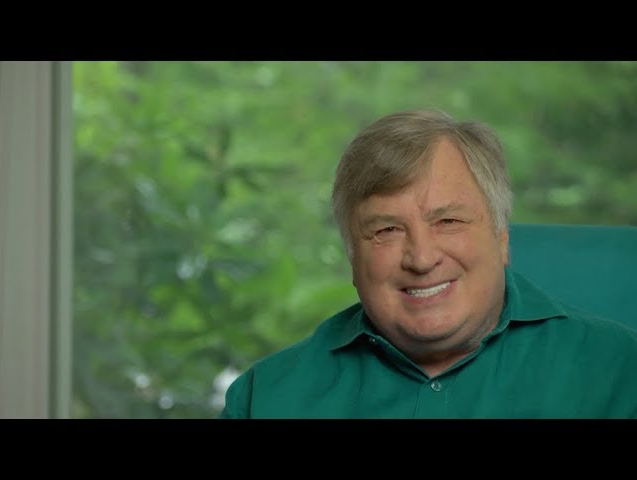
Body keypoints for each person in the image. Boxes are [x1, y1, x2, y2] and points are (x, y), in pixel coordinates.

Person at [219, 109, 637, 419]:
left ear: (502, 239)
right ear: (352, 257)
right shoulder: (265, 398)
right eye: (386, 230)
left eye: (448, 221)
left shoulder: (621, 372)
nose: (421, 259)